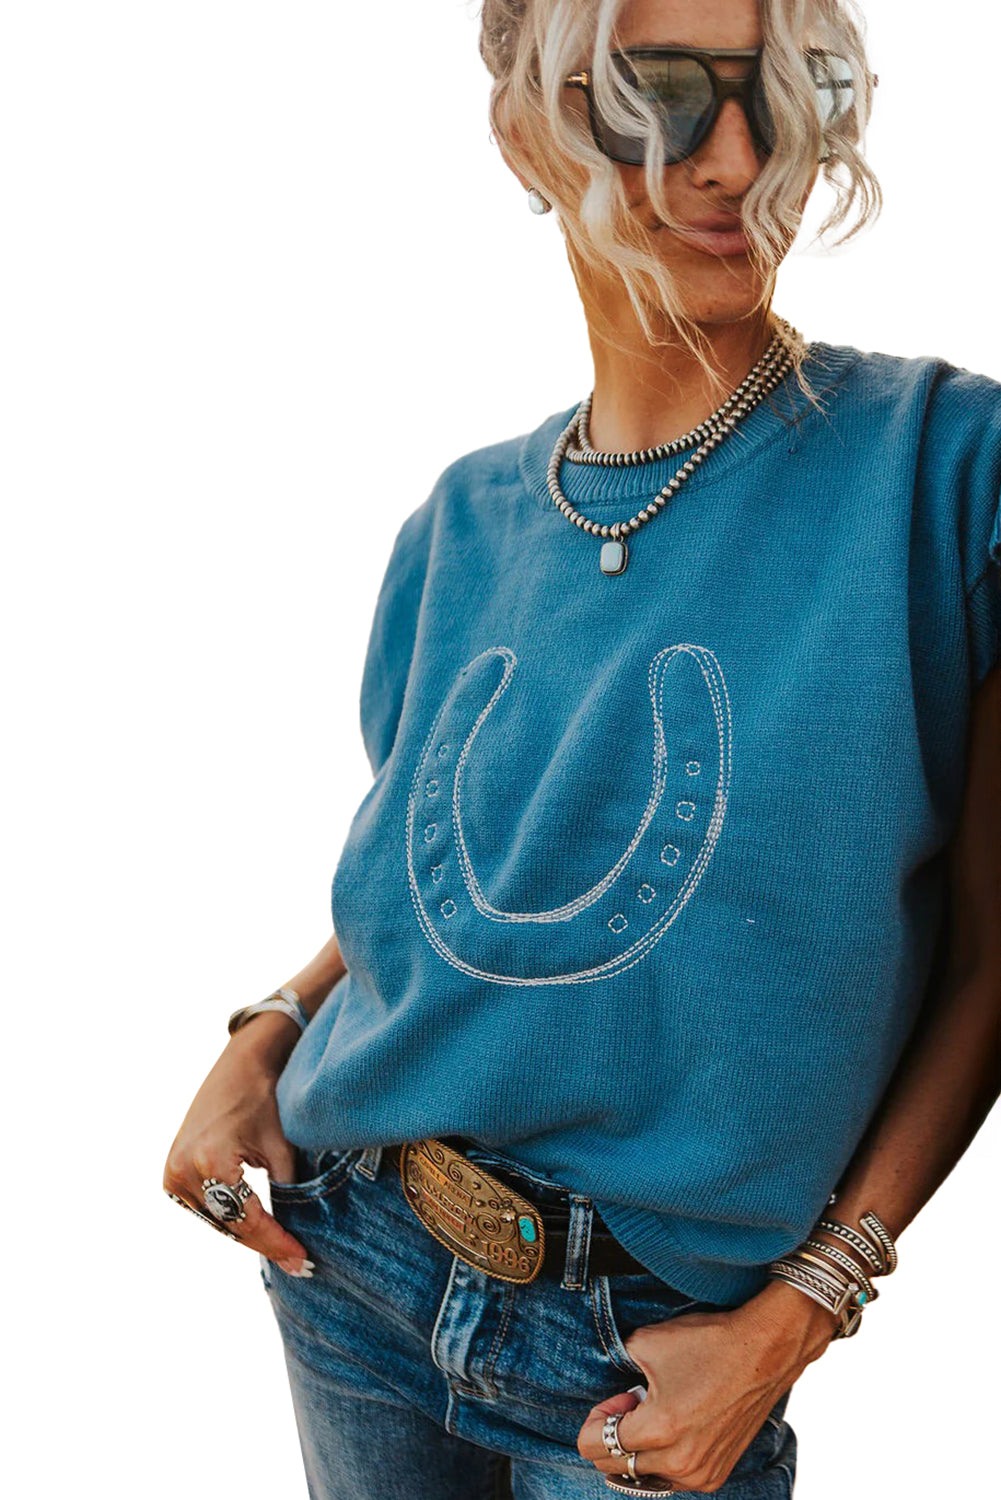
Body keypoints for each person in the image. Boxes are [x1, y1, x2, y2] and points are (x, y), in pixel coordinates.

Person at [163, 1, 1001, 1495]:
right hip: (351, 1263)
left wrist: (801, 1315)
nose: (735, 158)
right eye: (657, 96)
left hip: (653, 1351)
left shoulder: (949, 472)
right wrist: (265, 1031)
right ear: (527, 132)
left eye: (779, 93)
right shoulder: (458, 524)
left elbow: (992, 960)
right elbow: (450, 886)